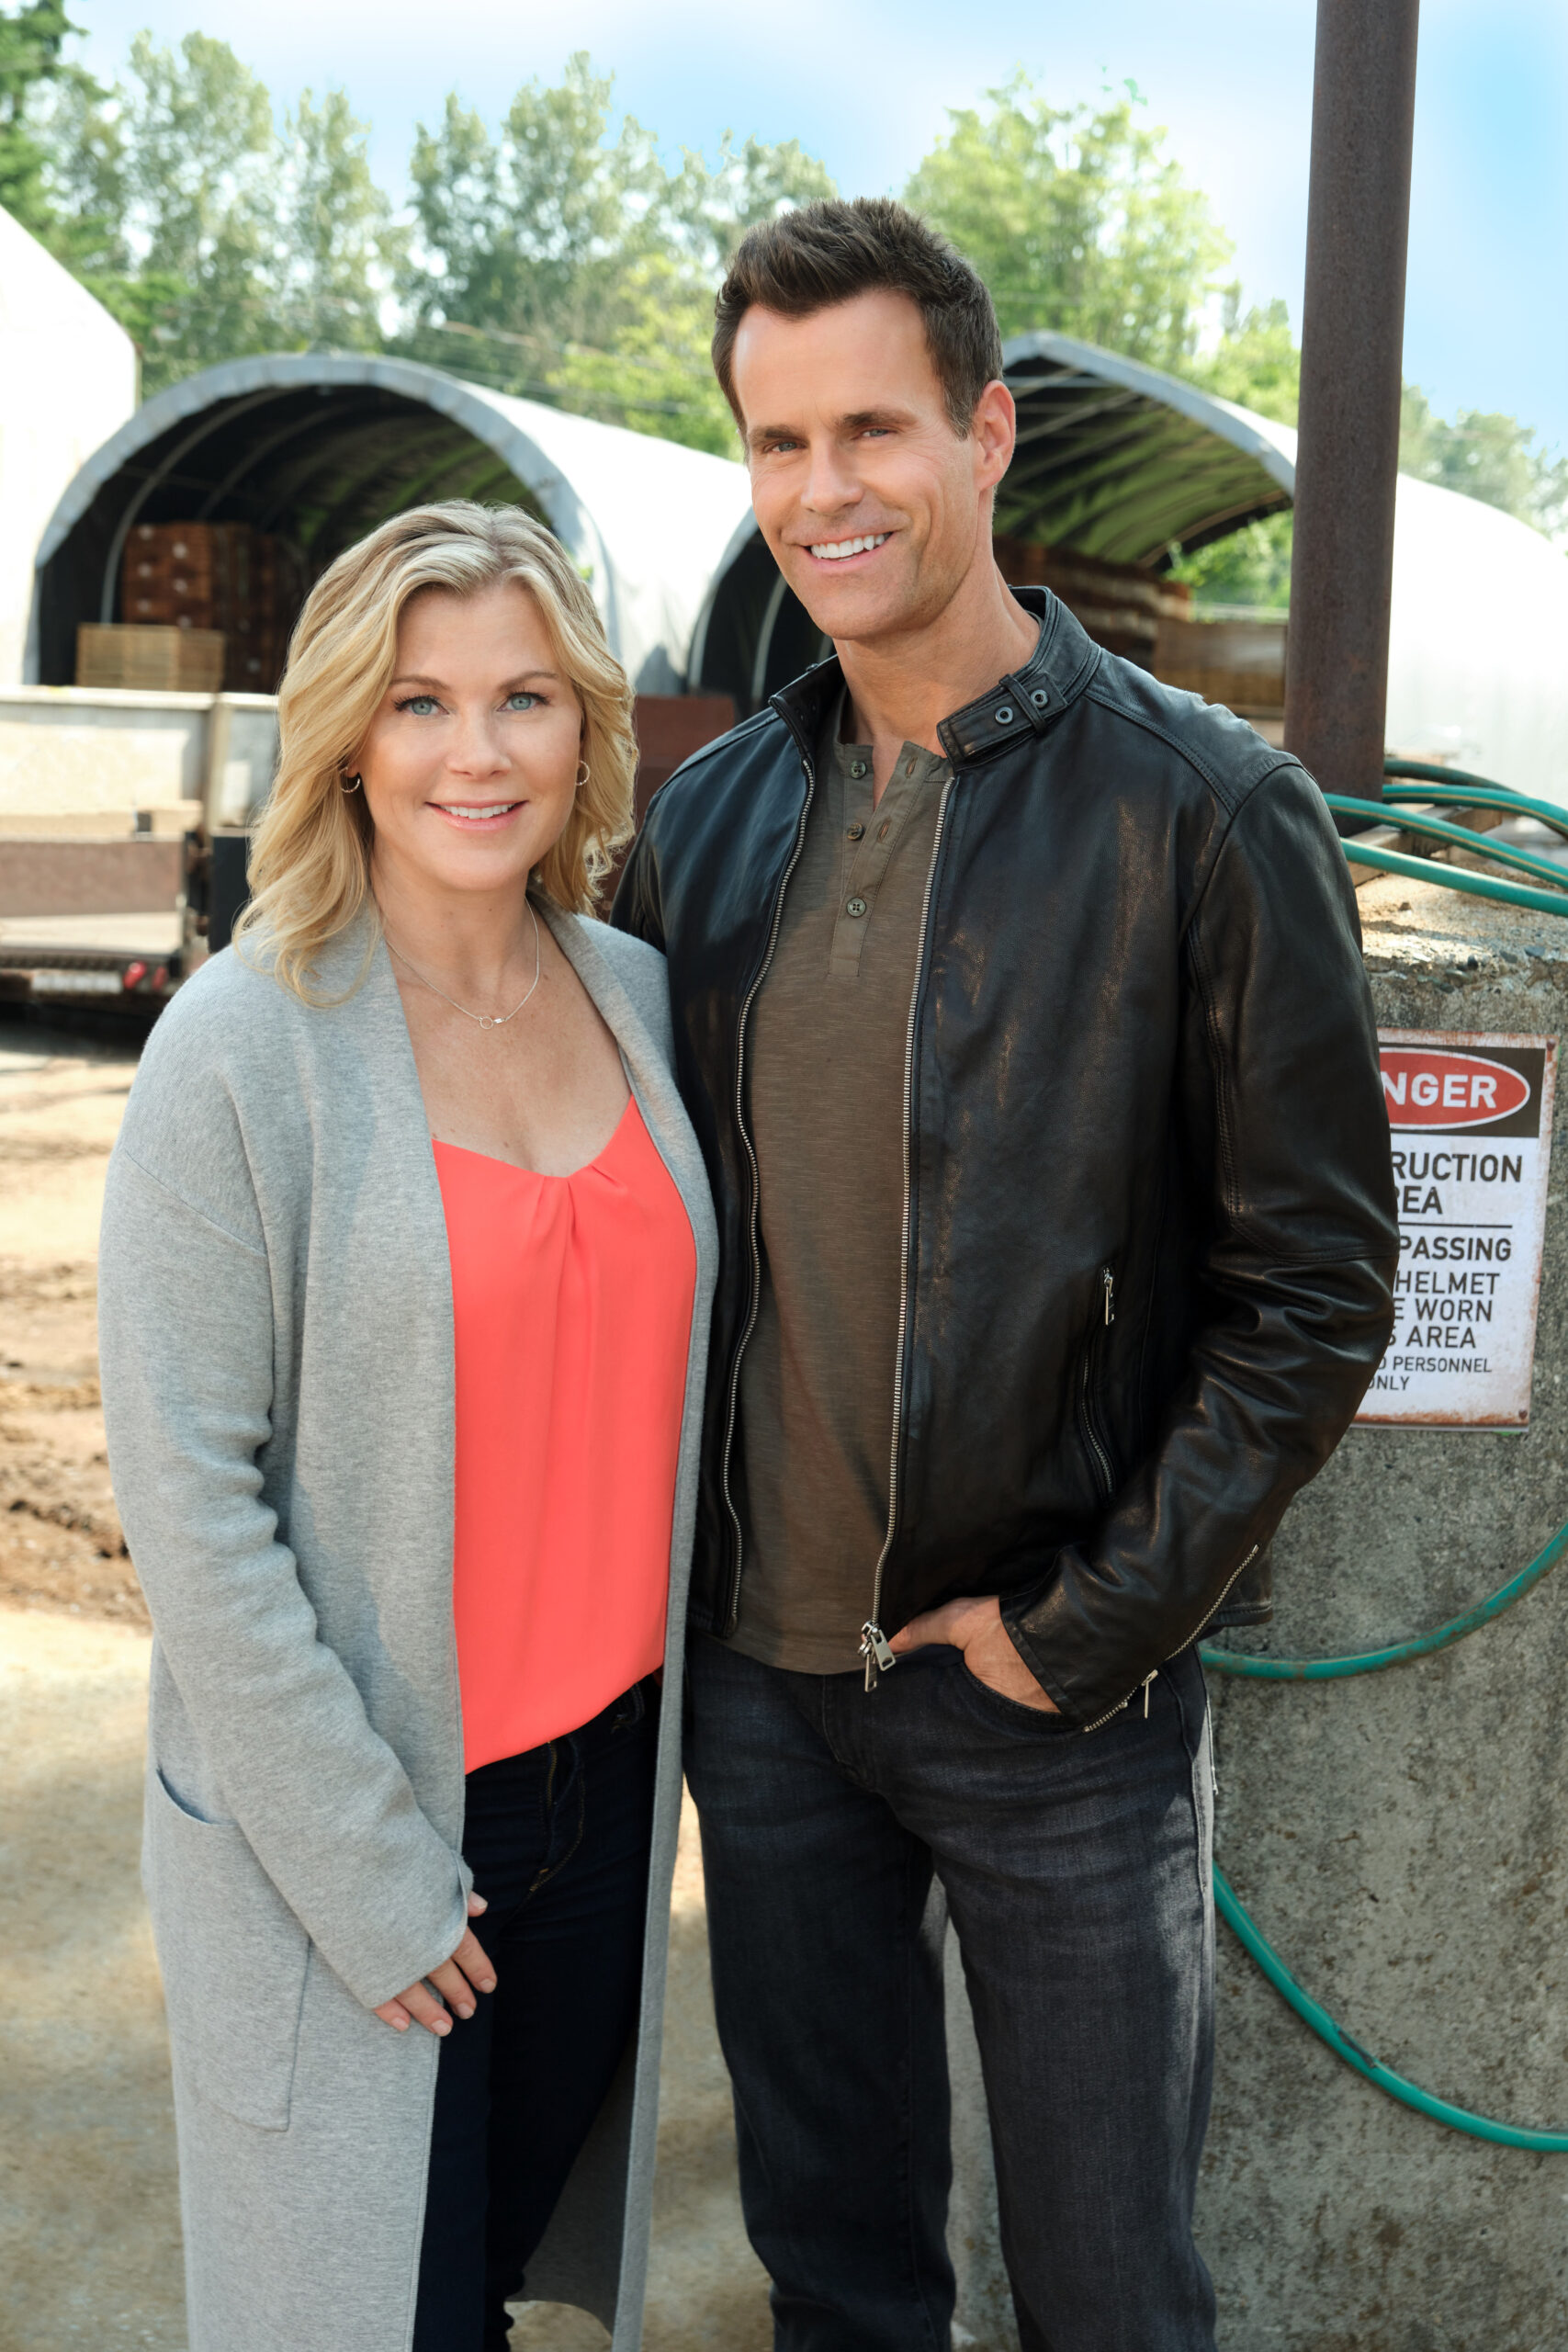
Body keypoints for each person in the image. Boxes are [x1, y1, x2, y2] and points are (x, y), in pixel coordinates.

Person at [613, 199, 1399, 2351]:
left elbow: (1314, 1286)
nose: (821, 490)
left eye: (870, 427)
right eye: (777, 442)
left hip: (1054, 1698)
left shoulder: (1205, 809)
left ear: (983, 435)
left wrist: (1088, 1624)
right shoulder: (707, 822)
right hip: (763, 1693)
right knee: (836, 2274)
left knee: (1108, 2291)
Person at [97, 502, 716, 2352]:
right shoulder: (240, 1045)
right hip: (362, 1820)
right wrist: (365, 1869)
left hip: (606, 1804)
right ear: (348, 736)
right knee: (366, 2312)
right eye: (420, 700)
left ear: (583, 726)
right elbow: (188, 1500)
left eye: (523, 696)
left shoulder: (637, 998)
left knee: (486, 2287)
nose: (476, 750)